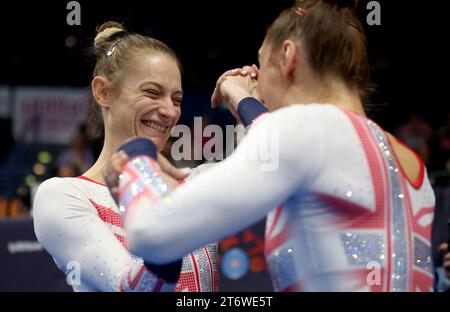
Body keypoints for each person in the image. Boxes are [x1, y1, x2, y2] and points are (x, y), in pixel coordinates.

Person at [109, 0, 436, 291]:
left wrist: (139, 160)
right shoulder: (408, 159)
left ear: (289, 56)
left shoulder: (307, 129)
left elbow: (151, 234)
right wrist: (241, 98)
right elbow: (292, 148)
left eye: (261, 64)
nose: (257, 76)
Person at [33, 21, 218, 292]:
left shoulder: (199, 181)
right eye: (152, 92)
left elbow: (287, 173)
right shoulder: (65, 196)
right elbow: (133, 289)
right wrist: (140, 162)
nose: (169, 111)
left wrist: (246, 102)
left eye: (176, 100)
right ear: (103, 92)